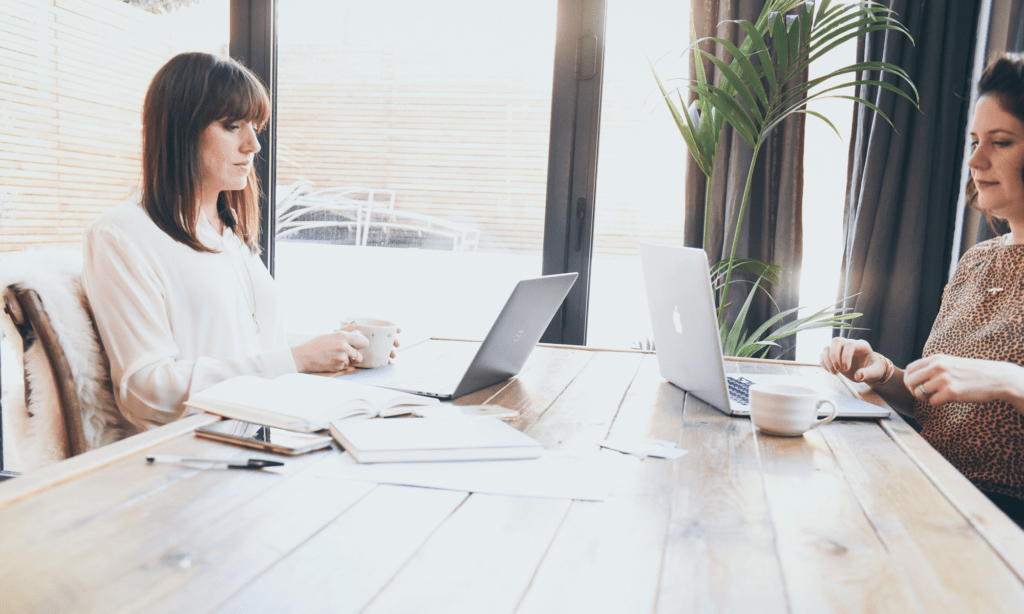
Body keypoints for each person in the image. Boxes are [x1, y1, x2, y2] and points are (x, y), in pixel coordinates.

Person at [83, 52, 390, 431]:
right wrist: (296, 359)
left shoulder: (229, 233)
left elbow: (251, 355)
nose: (253, 145)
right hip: (191, 460)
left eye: (255, 127)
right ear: (179, 130)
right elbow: (147, 390)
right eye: (232, 126)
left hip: (266, 440)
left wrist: (336, 349)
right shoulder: (122, 233)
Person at [821, 53, 1024, 527]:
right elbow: (934, 406)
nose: (975, 160)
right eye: (975, 141)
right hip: (928, 491)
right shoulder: (978, 260)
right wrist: (884, 372)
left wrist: (1006, 380)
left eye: (1001, 142)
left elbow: (988, 385)